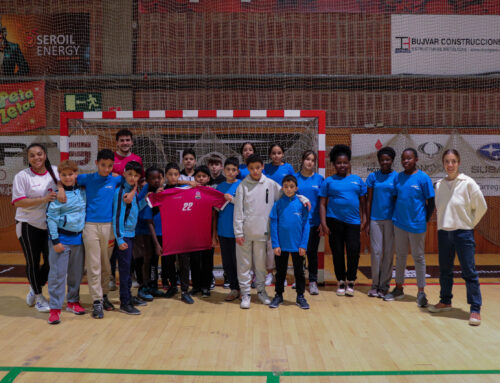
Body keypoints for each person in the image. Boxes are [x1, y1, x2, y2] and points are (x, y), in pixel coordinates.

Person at [147, 164, 227, 304]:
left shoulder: (191, 189)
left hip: (184, 234)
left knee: (184, 263)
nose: (173, 177)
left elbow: (217, 202)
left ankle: (184, 291)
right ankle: (173, 286)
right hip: (168, 234)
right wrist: (151, 195)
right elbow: (150, 202)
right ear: (166, 176)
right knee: (169, 263)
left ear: (180, 176)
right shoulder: (163, 191)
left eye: (176, 174)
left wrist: (225, 197)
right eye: (170, 174)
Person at [428, 149, 487, 326]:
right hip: (444, 234)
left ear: (459, 163)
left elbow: (482, 207)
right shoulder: (438, 185)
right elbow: (440, 208)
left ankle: (475, 309)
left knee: (469, 272)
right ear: (443, 164)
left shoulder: (468, 183)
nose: (450, 165)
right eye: (447, 161)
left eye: (453, 161)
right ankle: (445, 300)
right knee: (445, 270)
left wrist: (469, 224)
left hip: (463, 233)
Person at [76, 149, 124, 319]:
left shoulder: (117, 179)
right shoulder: (86, 178)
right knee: (94, 265)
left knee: (106, 264)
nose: (106, 169)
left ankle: (104, 296)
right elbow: (65, 179)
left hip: (109, 227)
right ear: (96, 163)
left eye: (110, 166)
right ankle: (96, 301)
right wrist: (59, 188)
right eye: (103, 165)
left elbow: (134, 179)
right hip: (89, 226)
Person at [384, 148, 435, 307]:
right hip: (399, 223)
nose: (406, 161)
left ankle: (421, 292)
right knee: (400, 256)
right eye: (404, 159)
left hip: (417, 225)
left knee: (418, 257)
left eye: (409, 158)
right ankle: (398, 288)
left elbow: (431, 203)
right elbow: (395, 197)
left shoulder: (423, 178)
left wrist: (423, 219)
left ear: (416, 159)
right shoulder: (398, 178)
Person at [12, 143, 59, 312]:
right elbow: (18, 202)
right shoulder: (22, 176)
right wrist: (43, 200)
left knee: (50, 262)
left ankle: (35, 286)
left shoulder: (55, 172)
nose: (36, 158)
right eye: (32, 155)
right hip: (27, 224)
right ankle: (39, 297)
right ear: (28, 159)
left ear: (45, 155)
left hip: (50, 225)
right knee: (32, 261)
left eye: (39, 154)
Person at [319, 145, 367, 297]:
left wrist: (364, 219)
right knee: (337, 252)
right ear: (334, 164)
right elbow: (322, 204)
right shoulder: (328, 181)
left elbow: (364, 203)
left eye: (345, 162)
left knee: (353, 251)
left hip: (353, 223)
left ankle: (351, 280)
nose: (342, 165)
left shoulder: (357, 181)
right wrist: (323, 223)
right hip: (334, 222)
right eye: (339, 163)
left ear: (349, 163)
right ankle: (340, 280)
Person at [46, 160, 86, 324]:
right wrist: (55, 241)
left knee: (76, 275)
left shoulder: (83, 192)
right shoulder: (57, 195)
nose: (68, 177)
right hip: (61, 240)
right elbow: (51, 219)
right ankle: (55, 309)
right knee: (57, 276)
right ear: (60, 177)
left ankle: (72, 302)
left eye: (71, 174)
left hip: (78, 240)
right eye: (64, 175)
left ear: (76, 175)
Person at [269, 175, 310, 309]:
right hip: (281, 246)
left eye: (291, 187)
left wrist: (303, 245)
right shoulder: (278, 204)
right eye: (286, 187)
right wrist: (275, 244)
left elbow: (306, 225)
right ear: (282, 188)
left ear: (296, 188)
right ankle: (278, 295)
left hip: (298, 246)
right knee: (280, 272)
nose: (288, 189)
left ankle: (300, 296)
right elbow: (273, 225)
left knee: (299, 272)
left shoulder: (301, 204)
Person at [110, 129, 144, 291]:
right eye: (122, 140)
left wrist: (132, 193)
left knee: (128, 245)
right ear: (117, 142)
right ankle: (111, 277)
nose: (125, 143)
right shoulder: (111, 159)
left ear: (131, 142)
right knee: (116, 243)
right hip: (115, 201)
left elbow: (138, 180)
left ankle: (130, 278)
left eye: (127, 140)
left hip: (131, 202)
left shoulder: (137, 158)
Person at [113, 161, 148, 315]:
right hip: (124, 236)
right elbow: (117, 217)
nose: (132, 178)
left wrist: (147, 199)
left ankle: (129, 297)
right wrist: (119, 239)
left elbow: (135, 209)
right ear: (124, 174)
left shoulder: (132, 192)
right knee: (125, 270)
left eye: (136, 175)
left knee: (128, 269)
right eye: (130, 175)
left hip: (131, 235)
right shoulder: (121, 193)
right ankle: (124, 302)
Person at [365, 147, 398, 299]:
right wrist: (366, 220)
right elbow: (369, 200)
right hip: (375, 220)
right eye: (382, 159)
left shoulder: (397, 177)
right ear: (378, 161)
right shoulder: (373, 177)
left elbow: (398, 200)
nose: (385, 162)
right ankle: (375, 285)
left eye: (388, 159)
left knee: (388, 253)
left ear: (392, 160)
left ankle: (384, 286)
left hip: (391, 220)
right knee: (376, 253)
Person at [263, 144, 295, 286]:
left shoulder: (288, 168)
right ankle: (269, 273)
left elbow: (293, 187)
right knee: (271, 243)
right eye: (274, 153)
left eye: (279, 153)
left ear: (283, 154)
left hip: (285, 208)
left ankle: (281, 273)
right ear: (270, 155)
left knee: (283, 242)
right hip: (269, 207)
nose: (276, 155)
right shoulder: (266, 168)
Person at [295, 150, 324, 295]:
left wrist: (322, 222)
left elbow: (323, 203)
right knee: (298, 253)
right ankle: (299, 279)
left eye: (313, 160)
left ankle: (313, 281)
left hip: (313, 223)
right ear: (302, 160)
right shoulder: (294, 178)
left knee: (312, 253)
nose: (310, 162)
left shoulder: (320, 179)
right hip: (297, 223)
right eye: (307, 159)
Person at [135, 166, 165, 302]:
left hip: (149, 229)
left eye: (159, 178)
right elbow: (148, 221)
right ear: (147, 180)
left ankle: (152, 285)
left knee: (153, 258)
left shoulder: (156, 191)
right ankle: (143, 287)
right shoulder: (147, 193)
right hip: (142, 229)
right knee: (145, 258)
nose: (156, 180)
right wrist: (157, 243)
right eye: (153, 178)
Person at [215, 157, 241, 301]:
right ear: (224, 170)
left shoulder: (242, 185)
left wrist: (232, 199)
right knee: (228, 262)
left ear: (237, 171)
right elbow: (216, 209)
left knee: (239, 262)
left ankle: (243, 288)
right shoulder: (220, 187)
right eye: (228, 169)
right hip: (223, 230)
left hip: (238, 231)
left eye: (233, 170)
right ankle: (233, 289)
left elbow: (247, 206)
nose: (230, 172)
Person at [189, 165, 216, 297]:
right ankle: (196, 286)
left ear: (208, 178)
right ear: (194, 178)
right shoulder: (189, 192)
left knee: (207, 261)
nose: (200, 178)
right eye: (198, 176)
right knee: (194, 260)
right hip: (193, 233)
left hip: (207, 233)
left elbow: (215, 216)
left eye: (203, 176)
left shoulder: (211, 193)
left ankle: (206, 286)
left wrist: (213, 236)